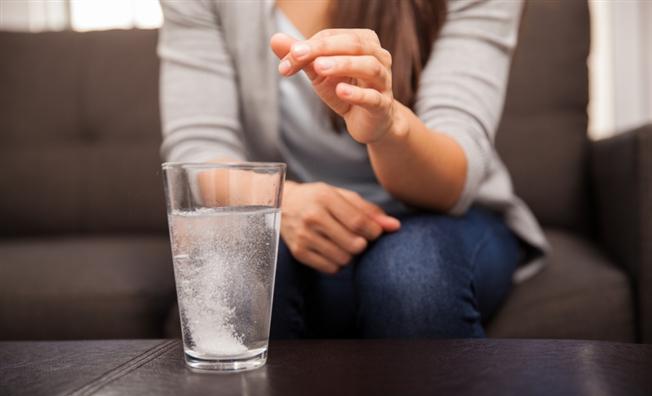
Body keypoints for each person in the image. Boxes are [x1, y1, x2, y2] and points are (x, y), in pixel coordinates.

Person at [158, 0, 549, 339]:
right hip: (288, 219)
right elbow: (198, 148)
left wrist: (388, 127)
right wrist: (281, 202)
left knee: (413, 275)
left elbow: (451, 181)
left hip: (441, 216)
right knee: (238, 272)